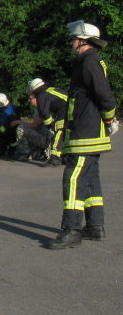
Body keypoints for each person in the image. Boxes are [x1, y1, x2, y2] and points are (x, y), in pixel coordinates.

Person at [46, 20, 117, 250]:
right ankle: (95, 227)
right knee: (90, 180)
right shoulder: (87, 62)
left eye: (73, 39)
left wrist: (110, 118)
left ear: (82, 42)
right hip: (87, 134)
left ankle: (72, 229)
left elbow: (104, 95)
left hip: (85, 135)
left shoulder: (89, 63)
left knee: (74, 179)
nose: (71, 43)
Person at [11, 78, 67, 165]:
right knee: (64, 134)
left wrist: (50, 125)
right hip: (73, 111)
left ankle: (55, 159)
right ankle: (65, 156)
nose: (29, 101)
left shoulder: (41, 96)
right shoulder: (50, 90)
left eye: (30, 98)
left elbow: (44, 113)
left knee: (58, 132)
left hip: (64, 112)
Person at [0, 93, 21, 158]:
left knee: (9, 136)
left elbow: (10, 126)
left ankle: (11, 152)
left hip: (9, 133)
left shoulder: (12, 112)